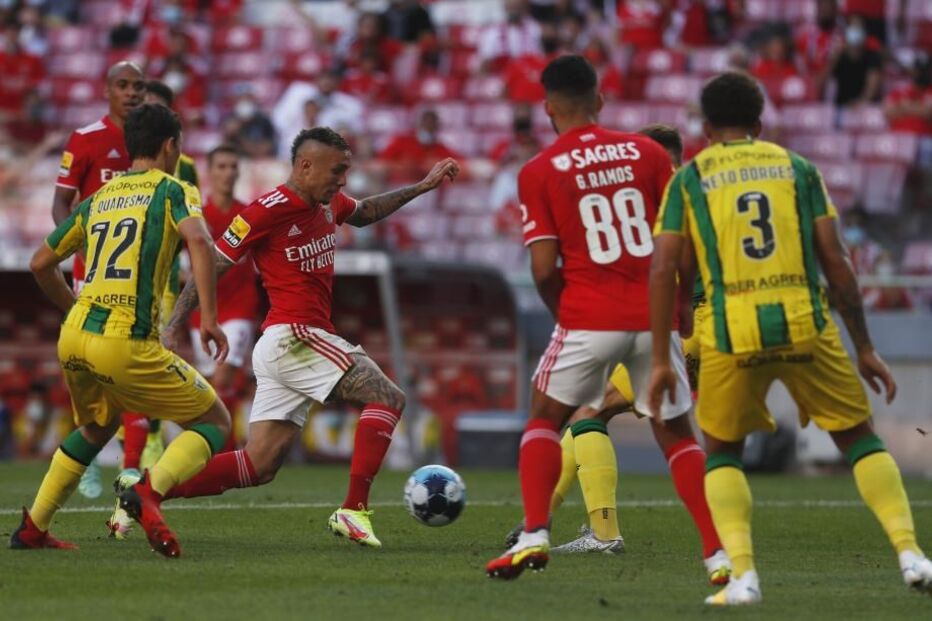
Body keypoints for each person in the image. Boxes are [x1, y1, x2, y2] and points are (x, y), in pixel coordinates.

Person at [647, 71, 932, 606]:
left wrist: (663, 356)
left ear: (706, 129)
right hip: (805, 322)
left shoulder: (688, 180)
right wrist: (864, 346)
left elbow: (664, 270)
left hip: (730, 330)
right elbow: (837, 262)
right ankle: (911, 553)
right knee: (860, 439)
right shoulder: (799, 169)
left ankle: (744, 577)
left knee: (723, 452)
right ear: (759, 125)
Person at [160, 128, 459, 548]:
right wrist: (176, 322)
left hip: (287, 342)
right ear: (305, 166)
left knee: (259, 465)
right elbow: (213, 262)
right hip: (294, 335)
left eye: (346, 171)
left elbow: (365, 211)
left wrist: (422, 187)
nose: (343, 180)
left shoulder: (328, 202)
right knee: (388, 397)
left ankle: (149, 491)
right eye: (337, 171)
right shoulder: (266, 210)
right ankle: (353, 510)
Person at [485, 55, 712, 580]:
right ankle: (542, 522)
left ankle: (594, 532)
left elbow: (550, 267)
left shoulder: (642, 184)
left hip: (678, 326)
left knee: (584, 415)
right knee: (595, 417)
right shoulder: (671, 181)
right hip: (689, 325)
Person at [10, 103, 232, 558]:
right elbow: (200, 240)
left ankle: (33, 527)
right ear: (170, 146)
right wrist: (208, 317)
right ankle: (149, 491)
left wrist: (74, 309)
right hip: (126, 340)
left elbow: (39, 263)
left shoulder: (97, 198)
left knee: (98, 425)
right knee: (215, 422)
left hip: (74, 337)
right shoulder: (174, 189)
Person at [103, 78, 205, 539]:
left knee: (140, 399)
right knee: (144, 394)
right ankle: (136, 490)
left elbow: (188, 237)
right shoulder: (138, 172)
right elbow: (198, 241)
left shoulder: (183, 172)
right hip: (136, 294)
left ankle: (132, 490)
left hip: (156, 290)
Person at [51, 60, 145, 500]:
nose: (131, 92)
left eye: (138, 86)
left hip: (137, 273)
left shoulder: (149, 142)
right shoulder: (86, 139)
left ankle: (131, 458)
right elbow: (61, 202)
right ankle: (89, 457)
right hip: (91, 272)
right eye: (123, 85)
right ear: (107, 90)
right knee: (88, 366)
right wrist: (76, 247)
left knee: (130, 360)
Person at [187, 145, 260, 442]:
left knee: (222, 377)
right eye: (221, 166)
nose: (228, 172)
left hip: (240, 306)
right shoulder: (196, 217)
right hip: (203, 309)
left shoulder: (249, 215)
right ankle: (219, 449)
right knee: (208, 386)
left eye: (233, 166)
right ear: (209, 172)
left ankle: (224, 452)